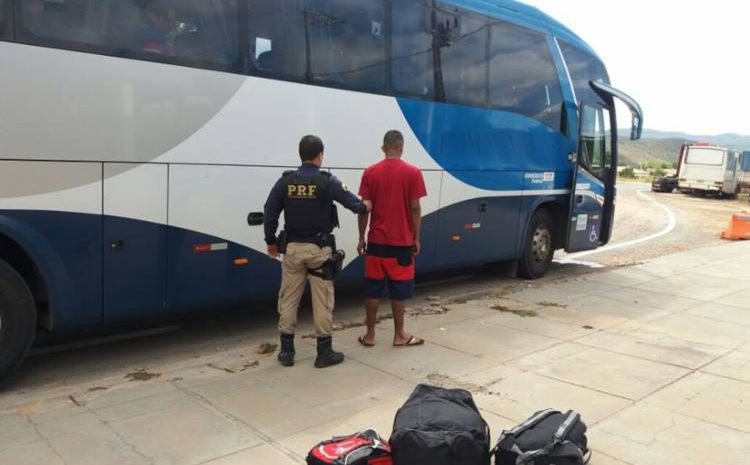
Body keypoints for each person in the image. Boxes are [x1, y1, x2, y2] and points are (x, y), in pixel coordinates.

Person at [264, 135, 371, 368]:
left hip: (292, 250)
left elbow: (270, 211)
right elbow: (355, 205)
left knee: (289, 299)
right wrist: (366, 205)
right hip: (319, 251)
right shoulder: (327, 181)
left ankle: (286, 352)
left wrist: (270, 241)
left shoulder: (285, 181)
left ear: (300, 155)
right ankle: (324, 353)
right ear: (320, 156)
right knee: (322, 300)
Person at [357, 130, 427, 348]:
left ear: (383, 147)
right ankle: (399, 335)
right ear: (401, 147)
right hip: (402, 245)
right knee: (399, 293)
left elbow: (364, 209)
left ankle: (369, 336)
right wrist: (416, 238)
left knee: (372, 291)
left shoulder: (370, 172)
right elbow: (415, 208)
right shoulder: (413, 172)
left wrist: (361, 237)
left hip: (376, 244)